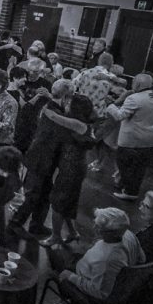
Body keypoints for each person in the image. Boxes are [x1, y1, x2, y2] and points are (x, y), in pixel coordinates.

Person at [105, 72, 153, 201]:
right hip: (152, 139)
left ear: (137, 84)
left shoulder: (134, 98)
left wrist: (111, 105)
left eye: (133, 83)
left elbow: (119, 116)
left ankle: (127, 189)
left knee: (125, 163)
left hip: (133, 138)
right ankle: (131, 190)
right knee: (140, 167)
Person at [51, 207, 145, 302]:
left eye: (99, 227)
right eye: (95, 224)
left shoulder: (106, 259)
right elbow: (142, 259)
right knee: (68, 254)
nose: (94, 228)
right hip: (110, 278)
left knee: (55, 256)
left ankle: (69, 302)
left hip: (87, 280)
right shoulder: (129, 234)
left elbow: (101, 292)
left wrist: (71, 276)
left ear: (111, 233)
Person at [42, 93, 97, 246]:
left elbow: (53, 116)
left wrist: (47, 101)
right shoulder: (83, 123)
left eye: (68, 103)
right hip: (74, 166)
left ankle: (55, 237)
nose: (65, 105)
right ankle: (73, 233)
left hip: (71, 168)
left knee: (58, 202)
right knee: (68, 201)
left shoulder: (78, 124)